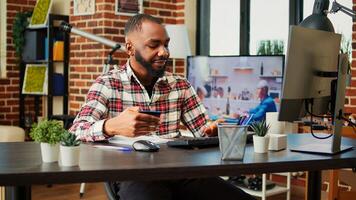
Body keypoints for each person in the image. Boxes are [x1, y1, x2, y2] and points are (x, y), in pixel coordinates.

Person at [69, 14, 254, 200]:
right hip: (131, 174)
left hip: (180, 170)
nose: (164, 52)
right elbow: (75, 132)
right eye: (154, 45)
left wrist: (212, 131)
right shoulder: (107, 84)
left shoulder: (180, 85)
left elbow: (202, 131)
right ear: (130, 47)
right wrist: (111, 126)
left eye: (166, 44)